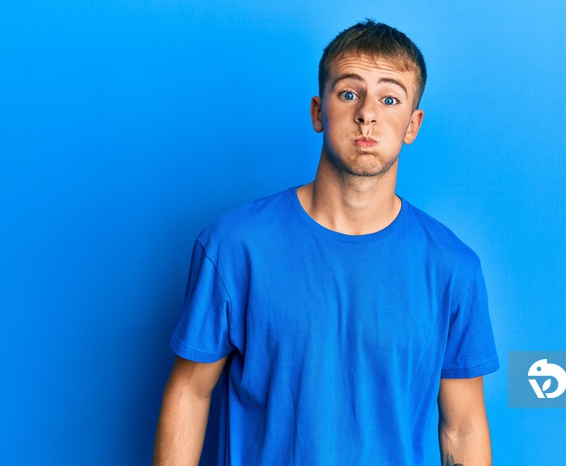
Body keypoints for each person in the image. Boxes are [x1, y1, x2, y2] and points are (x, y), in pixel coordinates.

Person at [153, 19, 499, 466]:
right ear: (319, 111)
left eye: (389, 98)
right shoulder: (235, 246)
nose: (367, 114)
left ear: (412, 124)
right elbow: (191, 392)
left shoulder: (453, 268)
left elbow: (463, 424)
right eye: (349, 93)